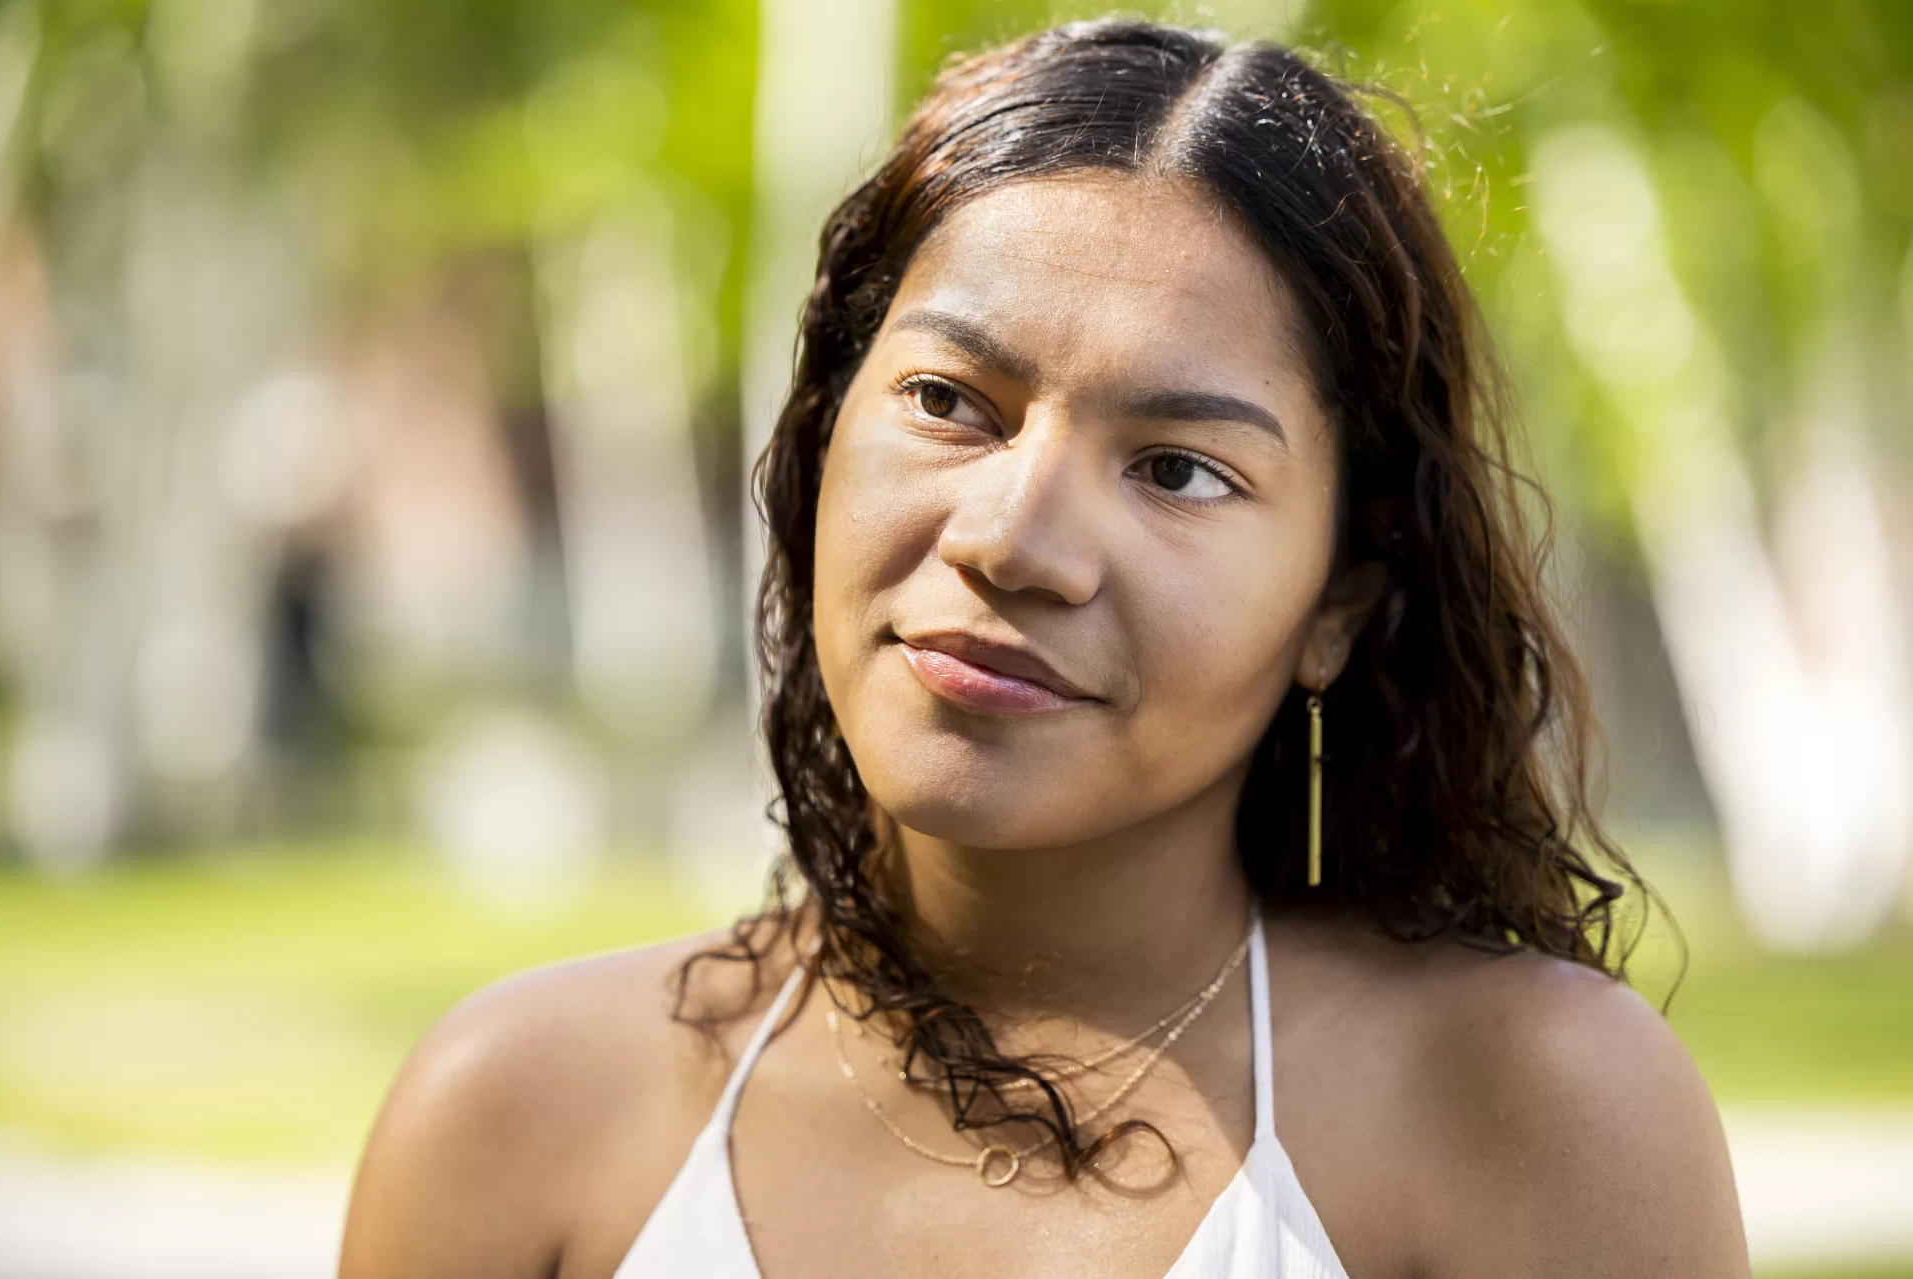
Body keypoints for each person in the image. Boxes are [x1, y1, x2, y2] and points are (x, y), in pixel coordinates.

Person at [339, 20, 1750, 1278]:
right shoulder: (513, 1114)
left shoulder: (1530, 1111)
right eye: (951, 399)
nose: (1016, 538)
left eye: (1179, 469)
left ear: (1340, 598)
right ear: (824, 438)